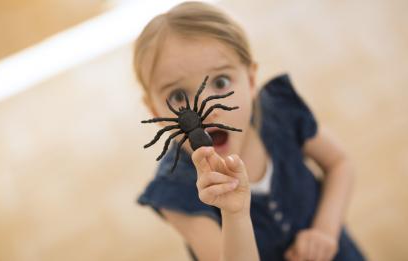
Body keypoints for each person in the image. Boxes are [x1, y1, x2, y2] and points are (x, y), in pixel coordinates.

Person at [134, 2, 366, 261]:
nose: (205, 113)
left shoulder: (280, 112)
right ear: (154, 110)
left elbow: (340, 163)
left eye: (221, 82)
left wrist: (325, 231)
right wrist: (234, 214)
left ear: (252, 80)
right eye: (177, 95)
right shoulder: (176, 191)